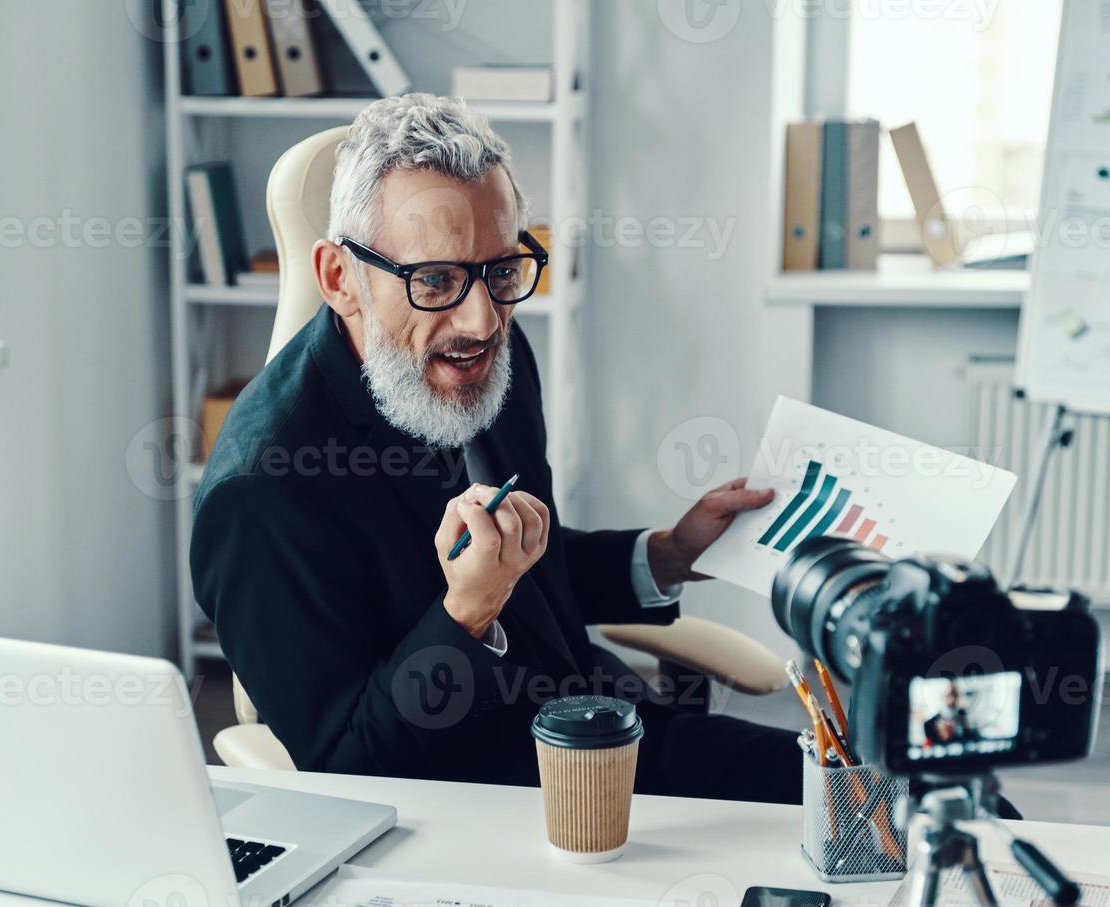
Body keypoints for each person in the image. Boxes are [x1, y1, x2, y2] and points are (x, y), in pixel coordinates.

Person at [191, 93, 799, 804]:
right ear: (338, 279)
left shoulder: (486, 360)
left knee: (860, 788)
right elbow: (345, 766)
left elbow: (528, 565)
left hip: (601, 727)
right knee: (834, 816)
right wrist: (463, 615)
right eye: (436, 280)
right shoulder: (263, 489)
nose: (482, 320)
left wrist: (668, 554)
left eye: (502, 271)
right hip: (489, 799)